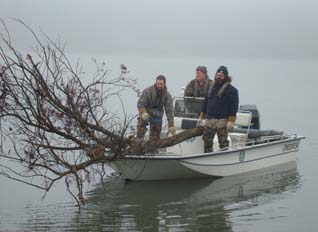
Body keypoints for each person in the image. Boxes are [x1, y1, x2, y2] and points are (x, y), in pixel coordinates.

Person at [197, 66, 239, 153]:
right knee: (207, 141)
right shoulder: (210, 87)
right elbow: (206, 102)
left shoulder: (232, 90)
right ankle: (207, 157)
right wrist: (201, 116)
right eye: (218, 75)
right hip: (209, 120)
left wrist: (231, 120)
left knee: (223, 143)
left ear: (226, 77)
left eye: (221, 75)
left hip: (222, 121)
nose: (219, 77)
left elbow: (234, 106)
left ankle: (224, 158)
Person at [136, 75, 176, 140]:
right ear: (155, 83)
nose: (159, 85)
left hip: (157, 116)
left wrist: (171, 125)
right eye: (158, 84)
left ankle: (153, 148)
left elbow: (169, 110)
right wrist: (143, 112)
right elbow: (140, 103)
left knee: (155, 139)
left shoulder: (167, 95)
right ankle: (138, 141)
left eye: (161, 84)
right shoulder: (148, 91)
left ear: (164, 84)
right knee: (141, 126)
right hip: (147, 113)